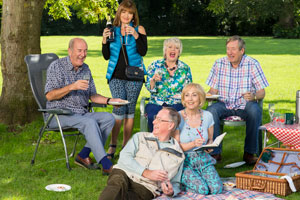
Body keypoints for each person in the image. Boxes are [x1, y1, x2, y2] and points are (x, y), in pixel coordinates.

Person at [45, 38, 123, 174]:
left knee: (109, 118)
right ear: (70, 51)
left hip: (80, 113)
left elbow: (92, 95)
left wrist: (110, 101)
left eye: (85, 50)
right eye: (79, 50)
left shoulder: (85, 69)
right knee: (89, 122)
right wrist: (72, 87)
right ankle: (106, 164)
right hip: (59, 114)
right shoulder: (56, 66)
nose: (83, 54)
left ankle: (83, 155)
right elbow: (49, 95)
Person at [206, 35, 269, 164]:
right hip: (224, 104)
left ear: (242, 51)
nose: (230, 52)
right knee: (211, 111)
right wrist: (206, 95)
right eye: (228, 49)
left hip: (245, 105)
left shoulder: (252, 64)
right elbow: (212, 91)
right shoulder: (219, 63)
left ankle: (249, 153)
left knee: (254, 110)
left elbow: (262, 92)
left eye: (233, 49)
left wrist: (254, 96)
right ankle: (215, 153)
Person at [99, 107, 185, 200]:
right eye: (155, 118)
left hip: (146, 186)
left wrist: (171, 191)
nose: (154, 122)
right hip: (125, 172)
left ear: (170, 125)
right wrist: (145, 172)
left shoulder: (178, 154)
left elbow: (175, 183)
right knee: (116, 185)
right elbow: (124, 157)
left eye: (159, 120)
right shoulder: (140, 137)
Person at [102, 0, 148, 159]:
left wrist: (135, 35)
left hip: (134, 76)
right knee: (118, 108)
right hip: (115, 76)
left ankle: (126, 147)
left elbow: (143, 52)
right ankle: (112, 145)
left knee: (129, 111)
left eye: (130, 13)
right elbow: (106, 56)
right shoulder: (111, 30)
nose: (126, 16)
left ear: (133, 15)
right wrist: (104, 40)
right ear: (119, 14)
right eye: (124, 12)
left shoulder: (139, 29)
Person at [173, 83, 223, 195]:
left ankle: (198, 179)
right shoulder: (177, 117)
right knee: (203, 190)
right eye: (187, 95)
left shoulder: (208, 116)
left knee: (216, 189)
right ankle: (182, 182)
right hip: (184, 161)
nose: (190, 99)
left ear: (200, 98)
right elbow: (176, 147)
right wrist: (193, 144)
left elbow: (210, 139)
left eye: (194, 95)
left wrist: (210, 146)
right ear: (183, 99)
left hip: (203, 159)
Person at [145, 37, 192, 132]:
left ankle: (175, 143)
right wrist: (153, 81)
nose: (173, 50)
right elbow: (149, 88)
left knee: (178, 118)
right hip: (156, 103)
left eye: (176, 48)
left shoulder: (185, 68)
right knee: (153, 117)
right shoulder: (155, 66)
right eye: (170, 47)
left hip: (177, 103)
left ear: (179, 52)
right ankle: (155, 142)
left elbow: (188, 90)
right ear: (165, 50)